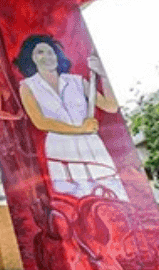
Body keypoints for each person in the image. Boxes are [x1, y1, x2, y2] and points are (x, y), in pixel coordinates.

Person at [14, 34, 127, 200]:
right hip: (61, 151)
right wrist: (80, 129)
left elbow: (111, 106)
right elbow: (40, 122)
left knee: (111, 196)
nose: (47, 56)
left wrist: (103, 75)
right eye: (40, 52)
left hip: (92, 148)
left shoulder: (77, 81)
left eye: (50, 52)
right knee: (74, 201)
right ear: (31, 58)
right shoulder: (28, 86)